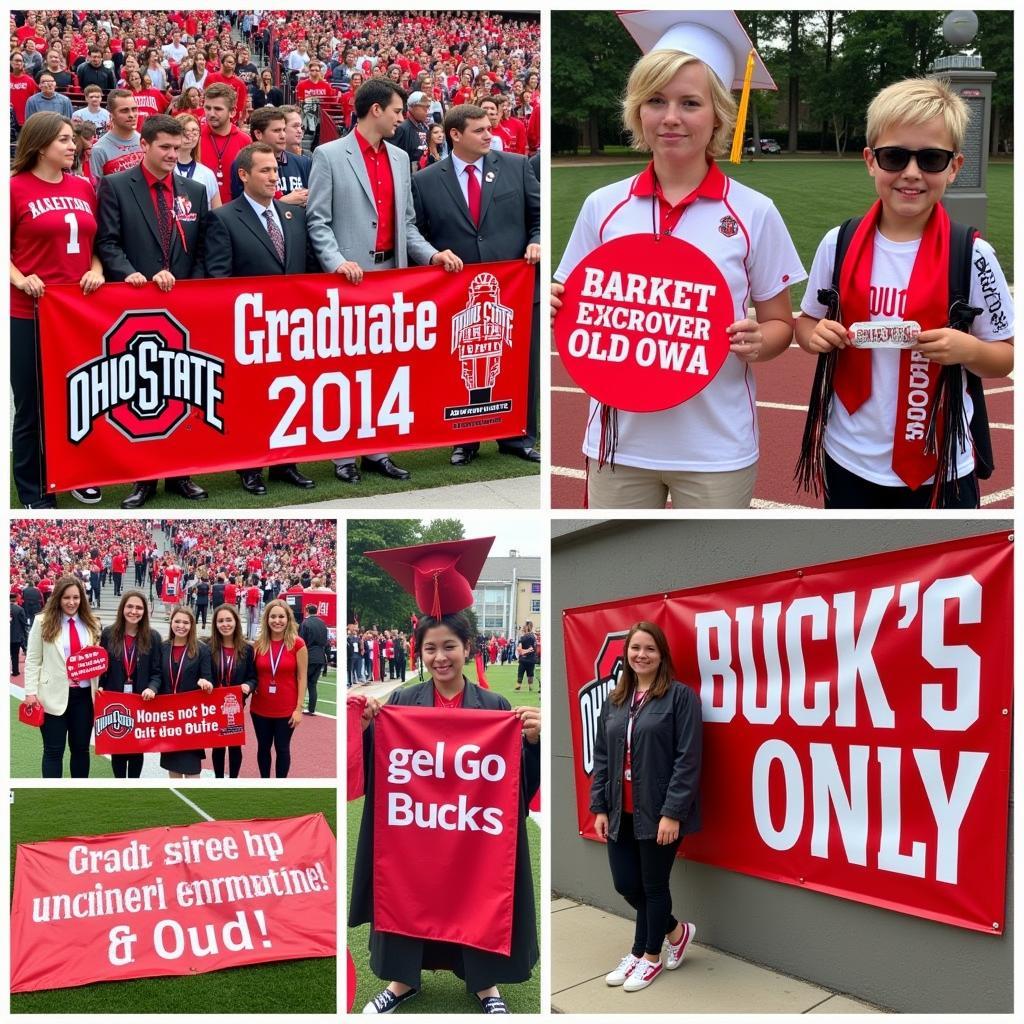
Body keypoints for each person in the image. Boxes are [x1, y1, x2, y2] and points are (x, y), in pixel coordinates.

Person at [552, 12, 806, 509]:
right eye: (656, 101)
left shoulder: (754, 212)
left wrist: (761, 341)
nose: (671, 117)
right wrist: (555, 302)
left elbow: (780, 324)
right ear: (637, 112)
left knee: (708, 578)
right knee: (618, 579)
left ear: (718, 114)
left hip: (715, 447)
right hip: (618, 445)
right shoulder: (603, 207)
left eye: (690, 103)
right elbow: (571, 302)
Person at [795, 77, 1015, 509]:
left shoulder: (972, 254)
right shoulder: (837, 244)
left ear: (953, 167)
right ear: (870, 161)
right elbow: (806, 322)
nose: (911, 173)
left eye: (931, 159)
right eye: (895, 156)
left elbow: (1005, 355)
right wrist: (813, 335)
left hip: (942, 464)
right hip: (849, 455)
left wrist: (966, 348)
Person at [352, 537, 540, 1014]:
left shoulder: (495, 707)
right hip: (415, 828)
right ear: (419, 651)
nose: (440, 657)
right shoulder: (401, 704)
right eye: (431, 648)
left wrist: (532, 742)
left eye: (450, 647)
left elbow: (514, 786)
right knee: (406, 887)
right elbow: (382, 776)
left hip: (471, 832)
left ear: (467, 648)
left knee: (478, 892)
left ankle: (484, 985)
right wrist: (372, 728)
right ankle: (402, 982)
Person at [306, 78, 462, 485]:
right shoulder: (328, 155)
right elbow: (318, 221)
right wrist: (337, 262)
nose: (401, 118)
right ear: (376, 109)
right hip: (347, 281)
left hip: (390, 279)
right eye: (396, 110)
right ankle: (343, 456)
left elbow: (406, 224)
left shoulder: (397, 157)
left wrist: (432, 254)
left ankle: (378, 451)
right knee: (344, 370)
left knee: (382, 370)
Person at [412, 103, 542, 467]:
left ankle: (518, 436)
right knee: (461, 366)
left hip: (514, 290)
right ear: (455, 135)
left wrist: (537, 240)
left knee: (521, 364)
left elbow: (538, 217)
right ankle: (464, 439)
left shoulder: (516, 167)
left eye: (490, 127)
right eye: (480, 130)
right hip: (457, 294)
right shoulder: (425, 180)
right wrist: (435, 255)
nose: (489, 134)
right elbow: (418, 234)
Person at [96, 113, 210, 510]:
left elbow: (200, 250)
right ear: (144, 145)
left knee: (183, 392)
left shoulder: (194, 191)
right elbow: (107, 243)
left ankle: (181, 475)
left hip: (182, 306)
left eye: (178, 148)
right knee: (143, 396)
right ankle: (143, 479)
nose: (172, 154)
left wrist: (188, 287)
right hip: (136, 306)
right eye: (165, 147)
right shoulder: (114, 186)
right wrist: (136, 276)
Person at [591, 621, 702, 992]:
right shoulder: (615, 700)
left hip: (658, 812)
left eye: (650, 649)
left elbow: (688, 759)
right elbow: (602, 757)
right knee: (627, 883)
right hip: (619, 809)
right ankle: (675, 931)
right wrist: (600, 807)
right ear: (627, 654)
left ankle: (648, 955)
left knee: (653, 886)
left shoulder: (680, 697)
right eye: (636, 648)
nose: (642, 655)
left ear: (662, 655)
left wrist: (673, 812)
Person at [205, 141, 317, 494]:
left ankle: (286, 464)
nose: (273, 176)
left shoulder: (293, 215)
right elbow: (218, 280)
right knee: (250, 401)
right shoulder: (223, 218)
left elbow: (308, 270)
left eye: (275, 169)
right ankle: (250, 468)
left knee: (288, 397)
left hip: (292, 329)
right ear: (243, 175)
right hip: (249, 330)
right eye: (264, 170)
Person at [11, 112, 105, 509]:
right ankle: (33, 489)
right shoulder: (13, 188)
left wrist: (97, 271)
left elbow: (94, 246)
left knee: (79, 400)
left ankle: (76, 474)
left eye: (73, 140)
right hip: (28, 312)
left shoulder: (84, 187)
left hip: (76, 313)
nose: (74, 146)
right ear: (40, 144)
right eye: (65, 140)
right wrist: (20, 279)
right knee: (33, 405)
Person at [23, 575, 101, 778]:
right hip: (52, 696)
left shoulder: (90, 623)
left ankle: (80, 791)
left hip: (83, 697)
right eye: (66, 597)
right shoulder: (43, 621)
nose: (71, 602)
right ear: (58, 597)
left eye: (76, 597)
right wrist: (30, 692)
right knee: (53, 751)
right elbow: (33, 660)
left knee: (81, 750)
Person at [97, 590, 163, 778]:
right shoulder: (109, 634)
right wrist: (101, 685)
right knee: (118, 746)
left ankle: (134, 783)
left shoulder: (154, 637)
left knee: (136, 748)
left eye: (139, 608)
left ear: (145, 611)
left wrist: (152, 687)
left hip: (141, 701)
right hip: (115, 701)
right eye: (130, 606)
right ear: (122, 608)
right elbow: (103, 667)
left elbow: (157, 672)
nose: (134, 611)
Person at [145, 606, 213, 778]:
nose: (181, 626)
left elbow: (208, 679)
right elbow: (157, 675)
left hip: (190, 718)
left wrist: (205, 683)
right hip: (168, 717)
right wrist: (152, 688)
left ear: (192, 625)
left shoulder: (202, 649)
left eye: (185, 622)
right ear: (171, 622)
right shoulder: (163, 647)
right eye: (177, 621)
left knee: (192, 771)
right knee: (173, 769)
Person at [249, 598, 307, 777]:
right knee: (263, 748)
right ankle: (265, 782)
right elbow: (252, 675)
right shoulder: (258, 644)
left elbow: (301, 676)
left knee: (282, 749)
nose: (277, 620)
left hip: (286, 710)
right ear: (267, 619)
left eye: (281, 616)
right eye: (273, 616)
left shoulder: (297, 644)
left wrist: (299, 708)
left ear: (288, 619)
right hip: (260, 708)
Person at [205, 603, 256, 779]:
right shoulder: (208, 647)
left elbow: (253, 677)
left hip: (235, 704)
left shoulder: (247, 649)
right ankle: (218, 779)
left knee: (234, 745)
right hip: (214, 704)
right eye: (220, 621)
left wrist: (248, 686)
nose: (225, 624)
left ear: (236, 622)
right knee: (218, 745)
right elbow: (204, 673)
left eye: (228, 620)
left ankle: (233, 779)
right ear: (215, 624)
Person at [198, 82, 251, 204]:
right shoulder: (196, 137)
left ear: (232, 112)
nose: (211, 114)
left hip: (234, 212)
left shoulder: (245, 140)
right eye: (207, 108)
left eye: (218, 109)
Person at [90, 90, 143, 180]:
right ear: (111, 115)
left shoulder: (145, 142)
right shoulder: (99, 150)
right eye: (124, 111)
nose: (131, 115)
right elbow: (98, 188)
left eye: (134, 109)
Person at [173, 112, 222, 209]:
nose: (190, 136)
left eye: (195, 131)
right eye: (185, 131)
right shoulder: (165, 170)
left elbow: (217, 212)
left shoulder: (207, 174)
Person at [299, 603, 330, 715]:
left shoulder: (306, 623)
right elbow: (326, 641)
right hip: (320, 656)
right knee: (313, 684)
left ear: (307, 611)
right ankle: (311, 709)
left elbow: (301, 641)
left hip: (309, 654)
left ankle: (299, 705)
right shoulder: (323, 624)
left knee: (302, 681)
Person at [515, 620, 537, 693]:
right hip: (531, 659)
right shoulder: (533, 637)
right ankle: (530, 687)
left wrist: (523, 652)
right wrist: (527, 650)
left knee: (520, 672)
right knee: (530, 674)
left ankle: (518, 685)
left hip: (523, 659)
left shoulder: (522, 638)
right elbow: (532, 649)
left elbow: (519, 649)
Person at [11, 595, 28, 677]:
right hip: (15, 636)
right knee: (15, 655)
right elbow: (24, 623)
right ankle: (15, 671)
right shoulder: (19, 609)